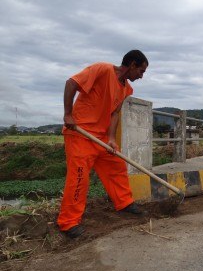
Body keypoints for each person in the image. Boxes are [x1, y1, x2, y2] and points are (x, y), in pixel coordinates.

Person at [57, 50, 149, 238]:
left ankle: (124, 203)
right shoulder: (102, 69)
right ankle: (68, 223)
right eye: (141, 71)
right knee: (79, 179)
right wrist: (68, 114)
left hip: (101, 139)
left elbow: (114, 114)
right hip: (80, 134)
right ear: (132, 65)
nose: (141, 76)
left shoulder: (127, 89)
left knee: (116, 167)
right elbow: (71, 83)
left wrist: (112, 139)